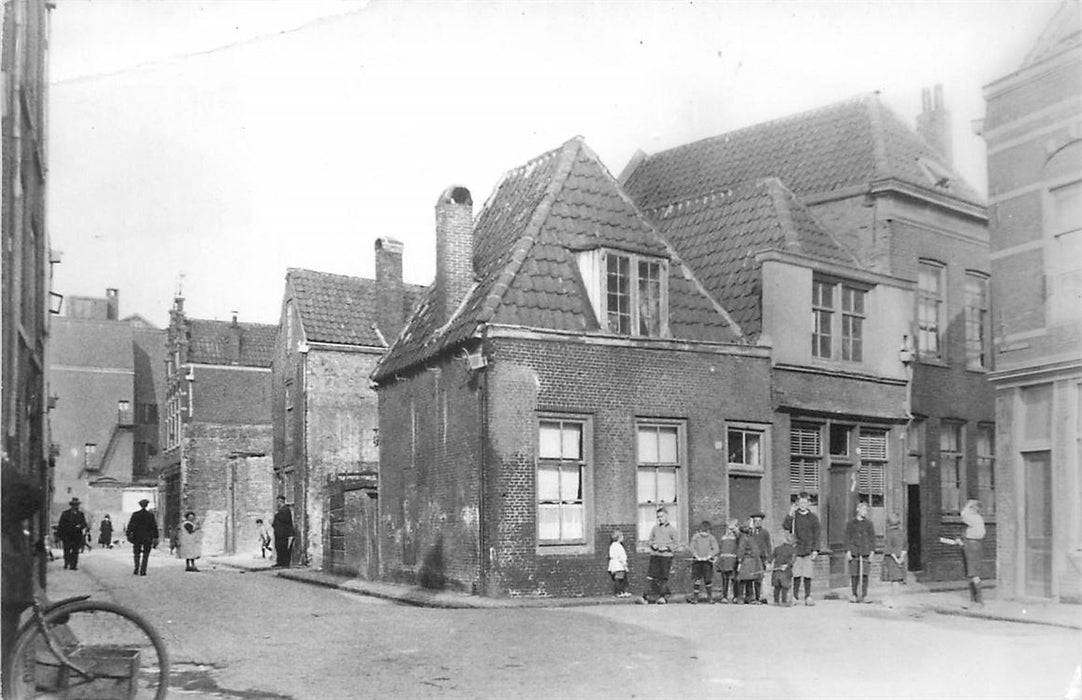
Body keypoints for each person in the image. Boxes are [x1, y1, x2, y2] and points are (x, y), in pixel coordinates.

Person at [783, 492, 821, 606]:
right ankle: (795, 596)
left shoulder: (813, 518)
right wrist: (790, 514)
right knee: (796, 574)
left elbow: (817, 534)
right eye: (801, 503)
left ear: (808, 503)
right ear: (797, 503)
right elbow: (786, 526)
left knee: (808, 574)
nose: (803, 505)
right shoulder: (794, 516)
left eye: (805, 502)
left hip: (808, 549)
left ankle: (808, 596)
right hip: (797, 549)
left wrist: (815, 550)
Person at [640, 506, 678, 604]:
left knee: (663, 577)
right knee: (650, 576)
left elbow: (676, 544)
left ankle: (662, 597)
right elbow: (650, 540)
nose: (659, 519)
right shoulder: (654, 528)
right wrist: (654, 545)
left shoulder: (672, 529)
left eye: (661, 516)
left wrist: (667, 548)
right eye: (658, 517)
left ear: (666, 516)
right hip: (655, 555)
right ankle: (644, 597)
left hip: (666, 556)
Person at [845, 500, 877, 603]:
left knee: (865, 574)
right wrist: (848, 551)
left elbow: (872, 538)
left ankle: (864, 595)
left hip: (865, 551)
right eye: (863, 509)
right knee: (854, 574)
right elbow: (847, 537)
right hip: (854, 551)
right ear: (857, 510)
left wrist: (872, 551)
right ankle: (854, 594)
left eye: (866, 510)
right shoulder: (851, 523)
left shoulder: (869, 524)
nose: (865, 512)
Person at [956, 499, 985, 607]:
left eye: (969, 507)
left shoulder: (974, 518)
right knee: (970, 573)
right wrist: (962, 541)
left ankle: (978, 601)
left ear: (973, 508)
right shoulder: (977, 519)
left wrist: (968, 504)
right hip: (972, 544)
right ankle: (974, 600)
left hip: (972, 546)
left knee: (973, 573)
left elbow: (963, 514)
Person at [687, 520, 719, 604]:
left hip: (707, 562)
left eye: (706, 531)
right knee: (697, 579)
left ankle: (710, 598)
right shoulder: (696, 537)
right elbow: (691, 547)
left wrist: (709, 556)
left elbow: (716, 549)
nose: (704, 533)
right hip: (697, 561)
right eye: (702, 531)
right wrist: (696, 555)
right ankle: (695, 598)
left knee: (708, 579)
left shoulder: (711, 538)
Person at [125, 499, 159, 576]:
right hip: (147, 537)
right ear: (146, 505)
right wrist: (156, 537)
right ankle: (143, 570)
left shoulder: (135, 514)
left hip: (137, 537)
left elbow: (130, 525)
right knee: (146, 554)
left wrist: (128, 534)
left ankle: (136, 568)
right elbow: (154, 526)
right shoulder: (150, 515)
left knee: (136, 553)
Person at [735, 518, 763, 604]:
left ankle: (749, 597)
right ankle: (740, 597)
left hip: (753, 561)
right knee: (743, 580)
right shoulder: (744, 538)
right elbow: (741, 550)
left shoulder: (751, 537)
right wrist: (739, 561)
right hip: (746, 560)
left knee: (750, 579)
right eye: (750, 528)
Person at [882, 512, 907, 608]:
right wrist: (901, 558)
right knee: (897, 581)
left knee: (894, 581)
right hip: (901, 558)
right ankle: (896, 600)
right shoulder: (902, 533)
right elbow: (905, 547)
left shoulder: (889, 534)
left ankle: (894, 601)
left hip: (892, 560)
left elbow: (889, 548)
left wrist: (896, 559)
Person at [57, 497, 89, 571]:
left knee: (75, 551)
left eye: (77, 505)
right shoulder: (65, 513)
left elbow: (84, 523)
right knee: (67, 550)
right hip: (67, 535)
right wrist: (60, 535)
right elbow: (61, 524)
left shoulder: (81, 514)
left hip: (77, 535)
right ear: (71, 505)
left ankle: (73, 565)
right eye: (74, 505)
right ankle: (66, 563)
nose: (76, 506)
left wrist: (80, 526)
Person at [748, 512, 772, 604]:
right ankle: (751, 597)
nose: (757, 523)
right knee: (750, 577)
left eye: (759, 521)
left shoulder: (765, 532)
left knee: (759, 578)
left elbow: (769, 545)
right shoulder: (750, 532)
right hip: (751, 558)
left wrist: (769, 559)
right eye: (755, 521)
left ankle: (758, 597)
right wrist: (750, 527)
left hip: (761, 558)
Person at [714, 518, 739, 603]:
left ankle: (735, 596)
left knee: (734, 579)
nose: (730, 531)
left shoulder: (737, 538)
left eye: (732, 529)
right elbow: (720, 549)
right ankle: (724, 596)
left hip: (733, 560)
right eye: (729, 528)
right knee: (725, 579)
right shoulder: (723, 538)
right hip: (724, 560)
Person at [770, 530, 796, 606]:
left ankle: (776, 601)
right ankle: (784, 602)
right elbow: (793, 560)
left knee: (777, 587)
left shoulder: (777, 548)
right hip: (785, 571)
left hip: (776, 569)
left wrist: (768, 563)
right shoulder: (793, 550)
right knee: (785, 587)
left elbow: (771, 557)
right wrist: (788, 565)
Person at [272, 495, 294, 568]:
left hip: (283, 533)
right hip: (279, 533)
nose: (277, 503)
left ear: (280, 501)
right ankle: (280, 562)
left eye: (278, 501)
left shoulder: (285, 510)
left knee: (282, 547)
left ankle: (283, 563)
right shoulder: (281, 510)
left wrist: (277, 516)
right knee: (278, 547)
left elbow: (285, 520)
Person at [608, 529, 630, 598]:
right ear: (619, 538)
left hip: (613, 565)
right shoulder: (619, 546)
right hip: (619, 565)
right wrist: (625, 566)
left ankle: (619, 592)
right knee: (620, 579)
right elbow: (622, 557)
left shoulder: (612, 546)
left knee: (617, 579)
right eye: (622, 536)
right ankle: (620, 592)